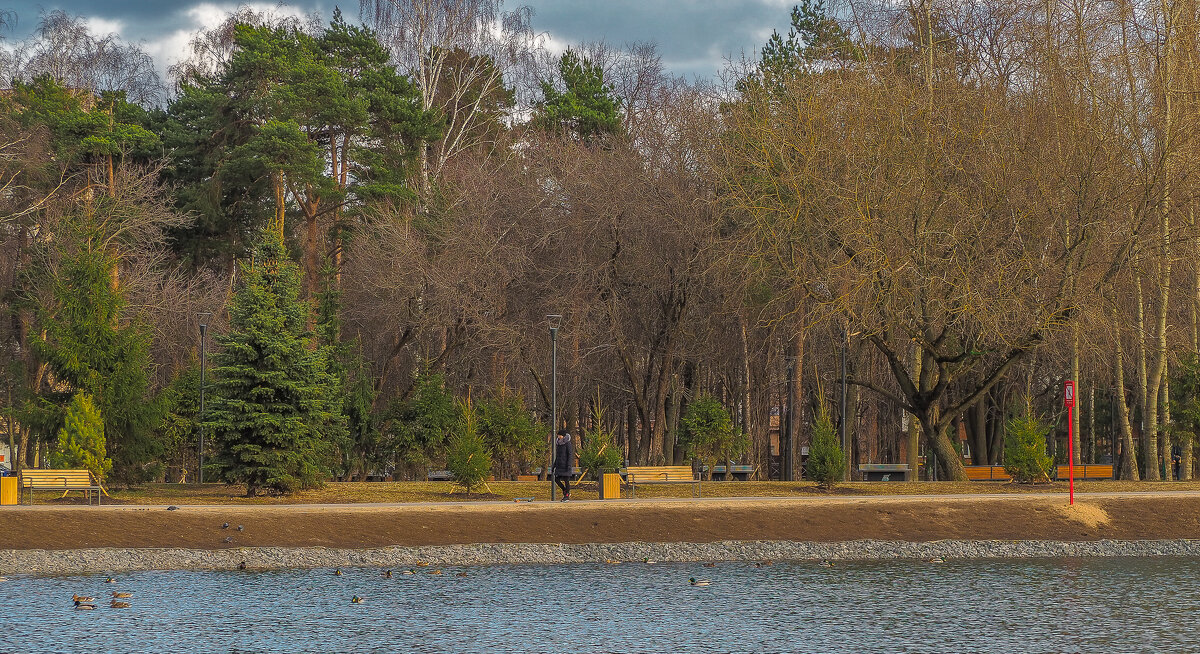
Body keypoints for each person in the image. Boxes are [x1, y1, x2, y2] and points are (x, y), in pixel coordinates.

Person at [552, 429, 575, 501]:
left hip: (566, 465)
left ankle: (567, 495)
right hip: (559, 465)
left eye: (559, 435)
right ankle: (565, 490)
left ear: (563, 436)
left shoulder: (567, 443)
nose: (558, 436)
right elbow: (558, 456)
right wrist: (554, 465)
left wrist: (569, 465)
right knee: (557, 479)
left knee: (566, 480)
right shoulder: (558, 444)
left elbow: (570, 455)